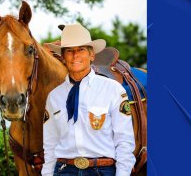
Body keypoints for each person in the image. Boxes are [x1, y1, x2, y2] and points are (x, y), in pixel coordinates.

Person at [42, 23, 136, 176]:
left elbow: (124, 141)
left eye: (81, 49)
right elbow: (50, 145)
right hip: (64, 171)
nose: (75, 55)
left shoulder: (113, 90)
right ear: (63, 57)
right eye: (69, 51)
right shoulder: (54, 97)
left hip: (102, 170)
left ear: (92, 55)